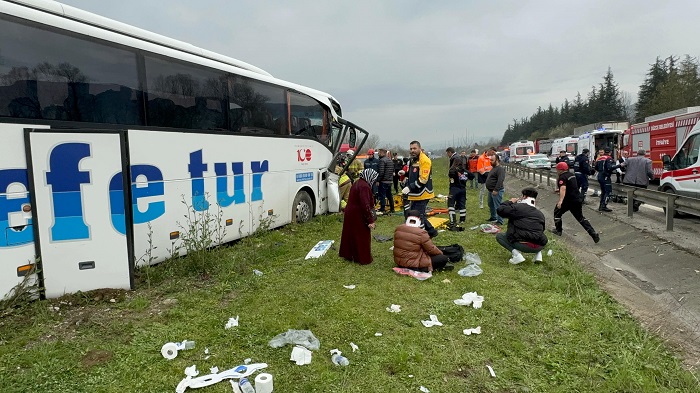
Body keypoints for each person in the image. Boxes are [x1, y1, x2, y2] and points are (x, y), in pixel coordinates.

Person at [496, 187, 548, 264]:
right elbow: (541, 230)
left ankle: (517, 255)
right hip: (539, 246)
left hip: (524, 245)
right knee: (537, 233)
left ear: (524, 196)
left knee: (500, 236)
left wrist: (509, 202)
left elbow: (500, 210)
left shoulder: (518, 208)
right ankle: (538, 255)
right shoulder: (540, 214)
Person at [551, 162, 600, 243]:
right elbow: (571, 186)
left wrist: (560, 201)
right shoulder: (571, 175)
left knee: (557, 213)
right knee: (580, 218)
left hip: (568, 201)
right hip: (577, 199)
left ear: (559, 170)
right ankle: (593, 234)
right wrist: (559, 190)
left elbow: (563, 188)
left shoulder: (562, 177)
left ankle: (558, 230)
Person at [339, 169, 378, 265]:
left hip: (351, 212)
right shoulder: (364, 186)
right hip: (357, 213)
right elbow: (365, 205)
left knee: (351, 234)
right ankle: (362, 258)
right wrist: (370, 220)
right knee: (361, 236)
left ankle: (349, 255)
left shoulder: (357, 182)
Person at [403, 140, 437, 238]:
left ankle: (422, 237)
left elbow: (423, 179)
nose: (412, 150)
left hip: (422, 193)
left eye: (414, 148)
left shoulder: (424, 160)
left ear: (420, 148)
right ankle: (431, 231)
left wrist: (409, 187)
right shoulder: (413, 160)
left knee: (417, 215)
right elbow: (413, 173)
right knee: (419, 214)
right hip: (415, 194)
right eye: (411, 149)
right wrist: (404, 173)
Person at [447, 149, 467, 228]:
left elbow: (451, 172)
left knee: (451, 203)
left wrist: (451, 176)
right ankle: (462, 219)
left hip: (454, 186)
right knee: (462, 203)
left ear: (449, 152)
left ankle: (452, 220)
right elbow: (470, 176)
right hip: (462, 187)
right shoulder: (463, 169)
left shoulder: (454, 159)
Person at [485, 152, 505, 225]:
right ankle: (493, 217)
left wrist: (496, 190)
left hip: (496, 191)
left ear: (497, 160)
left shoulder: (500, 169)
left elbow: (500, 180)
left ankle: (500, 221)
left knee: (498, 206)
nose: (490, 162)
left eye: (492, 160)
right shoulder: (493, 168)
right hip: (490, 191)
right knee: (491, 204)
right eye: (490, 160)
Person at [594, 147, 617, 212]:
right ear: (610, 152)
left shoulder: (600, 158)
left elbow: (596, 167)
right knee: (608, 192)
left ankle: (601, 206)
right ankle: (604, 206)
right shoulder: (609, 158)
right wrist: (619, 166)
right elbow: (610, 167)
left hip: (600, 175)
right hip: (605, 176)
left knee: (603, 192)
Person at [377, 148, 395, 215]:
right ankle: (392, 208)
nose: (378, 154)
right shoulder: (390, 160)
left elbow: (381, 172)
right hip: (389, 181)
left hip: (383, 181)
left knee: (382, 196)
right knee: (389, 195)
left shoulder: (382, 161)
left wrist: (378, 180)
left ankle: (382, 209)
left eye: (379, 152)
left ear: (382, 153)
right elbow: (392, 170)